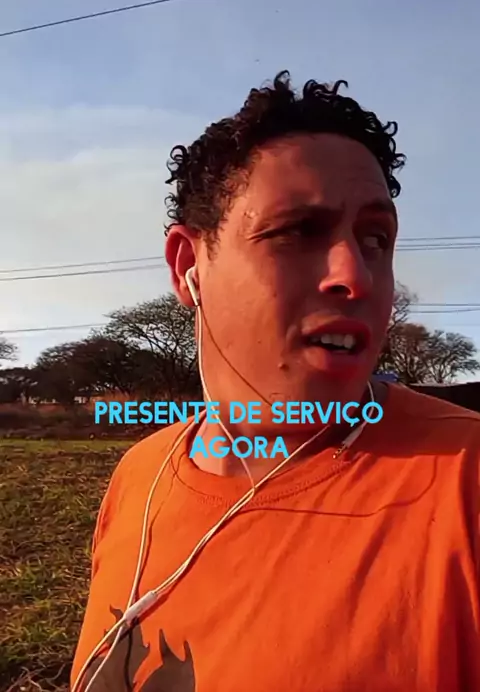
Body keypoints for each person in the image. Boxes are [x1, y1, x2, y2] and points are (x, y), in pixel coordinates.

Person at [71, 72, 480, 692]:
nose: (357, 275)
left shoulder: (464, 481)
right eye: (296, 232)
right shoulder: (139, 477)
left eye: (376, 238)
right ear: (188, 267)